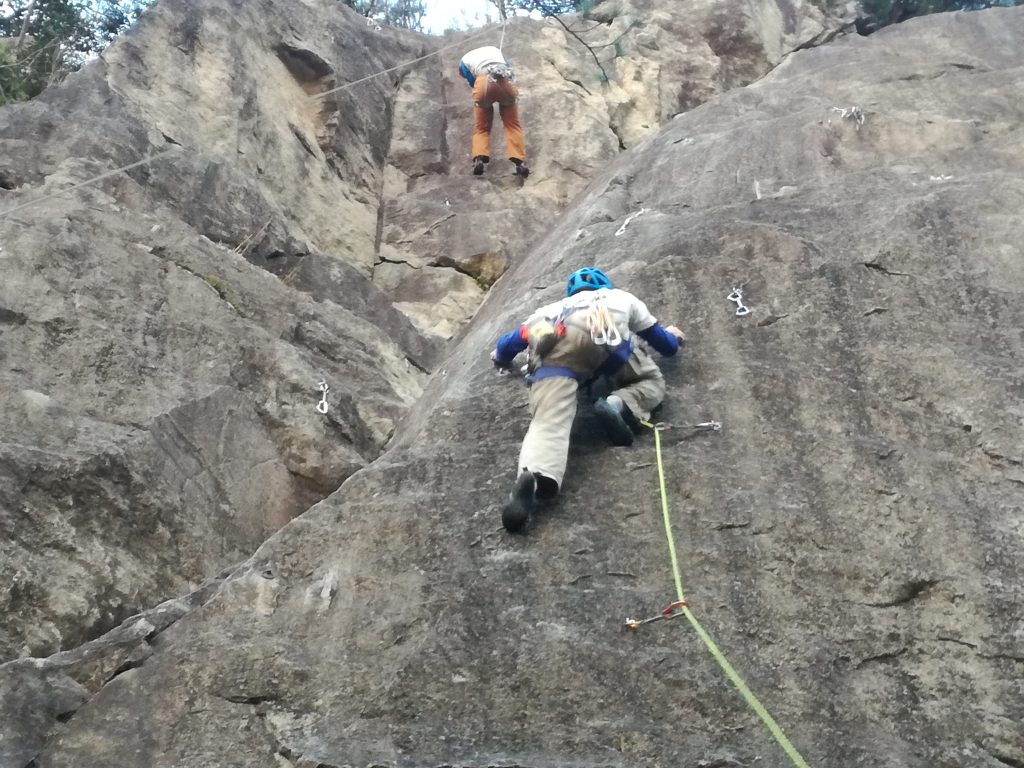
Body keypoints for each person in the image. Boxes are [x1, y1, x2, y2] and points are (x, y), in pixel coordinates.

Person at [490, 267, 685, 532]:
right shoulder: (619, 297)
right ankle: (619, 404)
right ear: (604, 284)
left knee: (547, 422)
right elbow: (666, 346)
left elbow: (509, 343)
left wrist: (501, 359)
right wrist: (674, 337)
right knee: (650, 382)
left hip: (556, 358)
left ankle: (535, 477)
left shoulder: (550, 310)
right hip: (608, 345)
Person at [458, 45, 529, 179]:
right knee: (512, 125)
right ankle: (520, 162)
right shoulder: (496, 51)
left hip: (483, 84)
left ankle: (479, 159)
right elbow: (509, 71)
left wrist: (483, 94)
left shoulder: (464, 61)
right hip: (504, 82)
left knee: (481, 128)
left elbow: (472, 81)